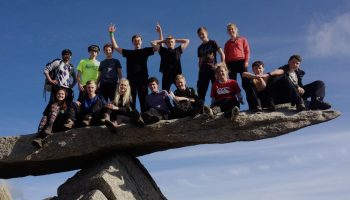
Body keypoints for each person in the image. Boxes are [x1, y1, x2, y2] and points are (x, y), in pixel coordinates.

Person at [109, 24, 157, 113]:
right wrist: (111, 34)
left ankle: (145, 116)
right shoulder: (129, 53)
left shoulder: (145, 51)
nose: (137, 42)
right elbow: (116, 47)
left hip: (143, 78)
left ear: (141, 41)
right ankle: (132, 116)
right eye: (135, 41)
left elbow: (157, 47)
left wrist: (159, 33)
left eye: (138, 40)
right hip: (131, 79)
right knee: (131, 99)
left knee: (143, 98)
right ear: (132, 42)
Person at [224, 23, 258, 111]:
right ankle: (234, 107)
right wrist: (226, 67)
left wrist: (246, 61)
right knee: (231, 84)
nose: (231, 31)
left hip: (241, 62)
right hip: (231, 64)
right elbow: (225, 56)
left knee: (247, 83)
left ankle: (254, 105)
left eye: (232, 29)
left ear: (236, 30)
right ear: (227, 32)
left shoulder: (242, 39)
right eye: (229, 29)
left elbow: (247, 51)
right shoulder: (227, 44)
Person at [151, 23, 190, 92]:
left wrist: (175, 40)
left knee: (183, 90)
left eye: (172, 42)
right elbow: (153, 42)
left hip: (177, 75)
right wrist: (164, 40)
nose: (170, 43)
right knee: (164, 92)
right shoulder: (163, 50)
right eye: (168, 42)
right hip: (166, 74)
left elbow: (187, 41)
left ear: (174, 43)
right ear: (166, 43)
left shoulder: (178, 50)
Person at [196, 26, 225, 102]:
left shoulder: (213, 42)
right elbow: (200, 60)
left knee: (217, 87)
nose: (201, 36)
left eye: (202, 34)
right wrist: (199, 71)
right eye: (199, 35)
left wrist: (221, 64)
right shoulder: (199, 48)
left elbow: (222, 54)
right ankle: (200, 108)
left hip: (213, 69)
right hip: (203, 71)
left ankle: (219, 104)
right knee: (201, 90)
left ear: (206, 33)